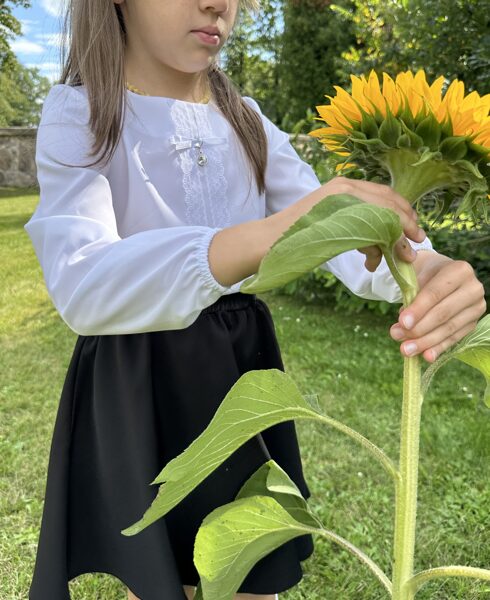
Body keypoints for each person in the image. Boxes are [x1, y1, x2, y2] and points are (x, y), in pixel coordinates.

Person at [23, 0, 486, 599]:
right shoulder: (82, 112)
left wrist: (428, 267)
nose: (218, 3)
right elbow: (84, 282)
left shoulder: (244, 119)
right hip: (139, 380)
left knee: (247, 571)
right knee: (163, 577)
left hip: (235, 375)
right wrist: (267, 234)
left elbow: (342, 241)